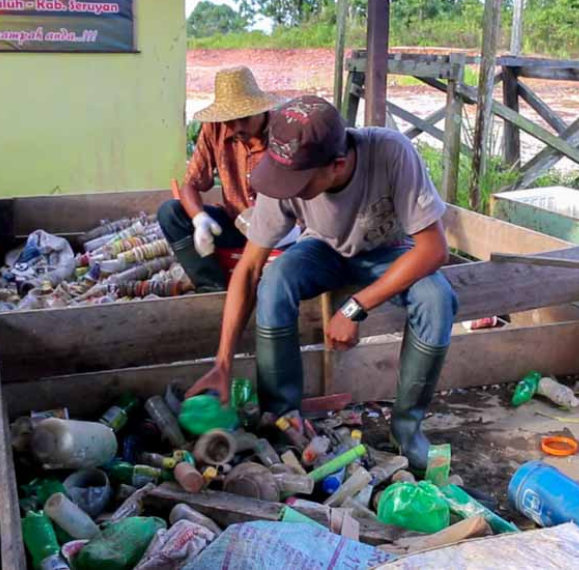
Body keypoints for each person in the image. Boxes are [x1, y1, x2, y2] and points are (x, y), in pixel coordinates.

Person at [185, 96, 458, 470]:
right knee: (275, 279)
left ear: (337, 165)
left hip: (389, 250)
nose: (285, 189)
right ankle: (283, 420)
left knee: (437, 298)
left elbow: (434, 249)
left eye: (298, 181)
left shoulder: (392, 153)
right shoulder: (285, 170)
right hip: (322, 249)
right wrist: (222, 363)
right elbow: (248, 269)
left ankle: (406, 431)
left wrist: (354, 306)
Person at [158, 66, 284, 292]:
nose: (236, 127)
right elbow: (191, 184)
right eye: (229, 121)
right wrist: (199, 220)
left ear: (259, 110)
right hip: (236, 225)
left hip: (280, 230)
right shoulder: (215, 129)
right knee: (170, 212)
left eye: (243, 119)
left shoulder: (283, 132)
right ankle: (211, 287)